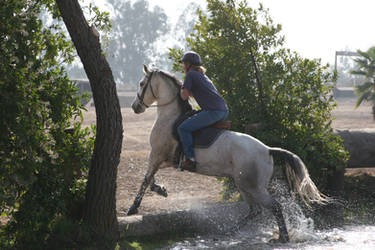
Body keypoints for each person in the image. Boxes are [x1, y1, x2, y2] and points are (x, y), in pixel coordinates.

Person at [177, 51, 229, 172]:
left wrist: (181, 88)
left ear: (189, 64)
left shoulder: (190, 75)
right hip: (223, 111)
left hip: (214, 111)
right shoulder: (202, 75)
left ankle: (190, 160)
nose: (183, 66)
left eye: (184, 63)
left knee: (183, 128)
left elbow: (184, 96)